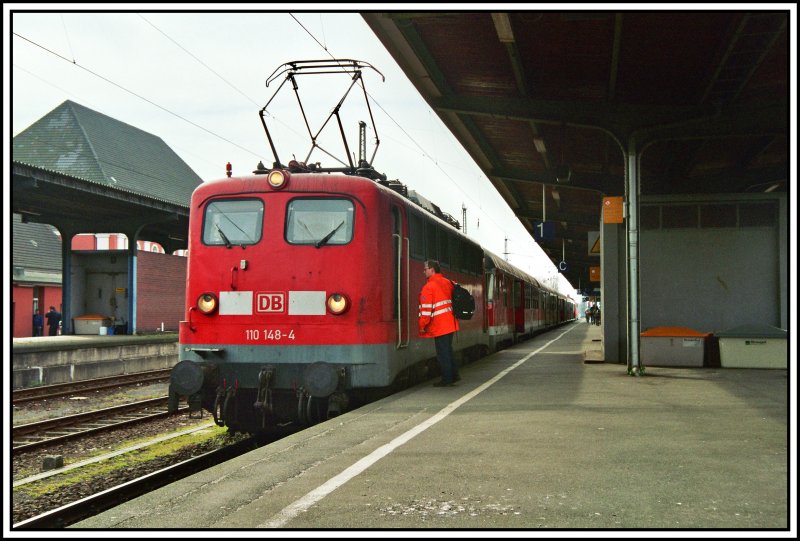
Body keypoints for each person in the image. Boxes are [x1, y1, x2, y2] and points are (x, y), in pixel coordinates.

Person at [418, 259, 460, 387]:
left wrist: (422, 326)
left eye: (425, 269)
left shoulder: (428, 287)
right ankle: (454, 376)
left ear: (432, 269)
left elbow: (425, 311)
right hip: (451, 323)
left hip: (440, 325)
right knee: (448, 350)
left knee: (443, 353)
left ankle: (447, 379)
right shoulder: (448, 282)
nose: (424, 271)